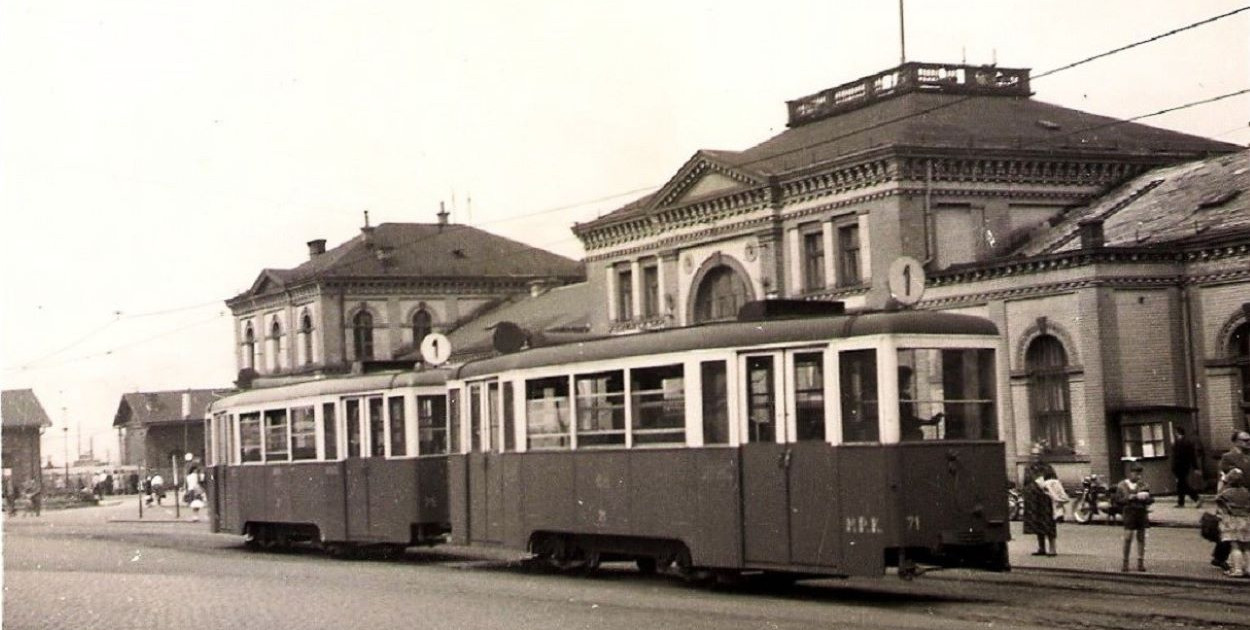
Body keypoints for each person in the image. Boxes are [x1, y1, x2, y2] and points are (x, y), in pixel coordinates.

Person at [1212, 430, 1250, 570]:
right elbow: (1225, 477)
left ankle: (1221, 557)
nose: (1248, 443)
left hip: (1246, 495)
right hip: (1234, 497)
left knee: (1239, 529)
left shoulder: (1248, 456)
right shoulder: (1228, 457)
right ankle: (1221, 557)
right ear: (1235, 442)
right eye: (1245, 440)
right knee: (1234, 529)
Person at [1115, 462, 1153, 572]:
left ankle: (1140, 562)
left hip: (1141, 513)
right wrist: (1129, 498)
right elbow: (1118, 501)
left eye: (1140, 474)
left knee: (1141, 537)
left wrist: (1146, 499)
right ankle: (1125, 562)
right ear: (1130, 473)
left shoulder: (1143, 485)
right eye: (1136, 474)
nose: (1139, 476)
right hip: (1129, 513)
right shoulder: (1122, 485)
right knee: (1128, 537)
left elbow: (1151, 499)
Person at [1214, 469, 1250, 578]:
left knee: (1235, 546)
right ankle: (1249, 568)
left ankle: (1237, 569)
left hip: (1232, 521)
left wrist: (1222, 483)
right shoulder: (1246, 492)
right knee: (1247, 547)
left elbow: (1218, 499)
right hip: (1246, 520)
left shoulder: (1227, 493)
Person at [1022, 463, 1057, 556]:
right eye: (1033, 454)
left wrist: (1046, 487)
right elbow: (1025, 483)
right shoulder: (1029, 467)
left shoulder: (1047, 468)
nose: (1035, 456)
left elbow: (1054, 482)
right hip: (1033, 500)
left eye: (1037, 454)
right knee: (1036, 523)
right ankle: (1041, 547)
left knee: (1048, 522)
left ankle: (1052, 548)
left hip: (1045, 499)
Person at [1170, 426, 1201, 508]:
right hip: (1185, 466)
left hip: (1179, 467)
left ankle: (1196, 497)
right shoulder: (1187, 442)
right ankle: (1181, 502)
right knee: (1180, 484)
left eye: (1175, 432)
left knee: (1182, 484)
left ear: (1178, 433)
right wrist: (1195, 468)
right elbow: (1192, 456)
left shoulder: (1178, 443)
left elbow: (1175, 457)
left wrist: (1173, 467)